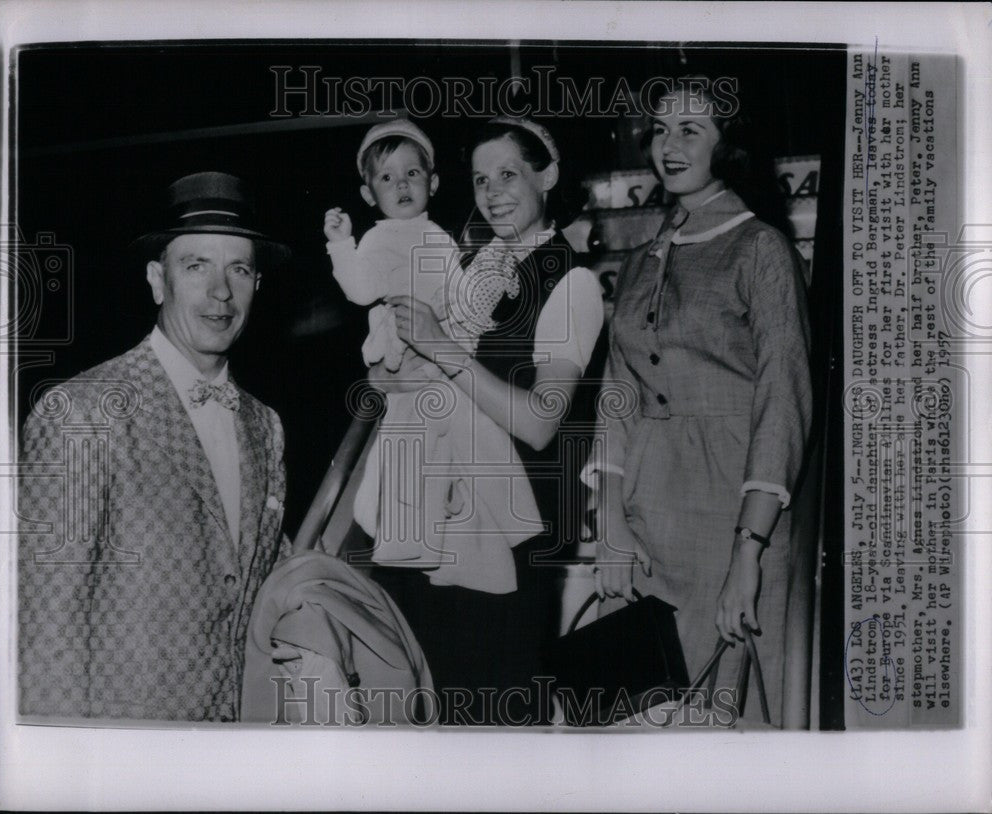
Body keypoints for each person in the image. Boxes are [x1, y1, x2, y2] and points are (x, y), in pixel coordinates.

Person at [17, 172, 291, 722]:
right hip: (124, 752)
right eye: (196, 266)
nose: (221, 292)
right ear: (157, 280)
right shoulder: (83, 412)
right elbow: (44, 627)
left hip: (236, 744)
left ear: (257, 284)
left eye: (238, 268)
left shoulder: (265, 426)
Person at [587, 79, 812, 726]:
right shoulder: (639, 262)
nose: (669, 145)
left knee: (719, 730)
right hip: (645, 509)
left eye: (691, 129)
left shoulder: (760, 248)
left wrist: (749, 553)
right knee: (632, 719)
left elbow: (783, 399)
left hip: (733, 513)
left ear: (727, 146)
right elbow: (617, 393)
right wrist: (610, 526)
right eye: (660, 129)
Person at [373, 117, 604, 725]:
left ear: (547, 176)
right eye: (480, 180)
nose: (493, 192)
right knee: (432, 711)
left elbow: (539, 423)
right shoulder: (474, 273)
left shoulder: (573, 283)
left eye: (508, 174)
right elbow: (390, 379)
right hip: (440, 522)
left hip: (513, 541)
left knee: (494, 720)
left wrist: (439, 349)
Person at [324, 119, 540, 567]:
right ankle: (402, 543)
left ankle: (511, 517)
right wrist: (342, 245)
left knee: (472, 431)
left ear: (433, 182)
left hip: (440, 351)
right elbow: (361, 290)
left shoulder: (439, 238)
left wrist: (485, 299)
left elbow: (459, 294)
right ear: (369, 195)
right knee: (409, 444)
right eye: (386, 177)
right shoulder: (379, 238)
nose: (401, 184)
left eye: (412, 173)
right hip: (402, 348)